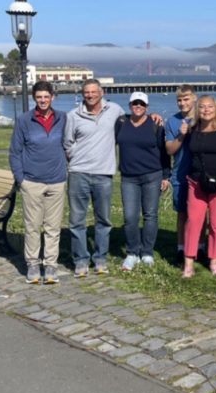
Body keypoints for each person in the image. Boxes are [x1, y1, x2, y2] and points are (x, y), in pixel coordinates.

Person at [63, 79, 163, 277]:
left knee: (104, 220)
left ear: (102, 93)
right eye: (86, 92)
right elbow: (67, 143)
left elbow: (137, 121)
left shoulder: (114, 111)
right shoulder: (73, 115)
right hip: (79, 173)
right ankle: (81, 260)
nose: (90, 95)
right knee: (77, 220)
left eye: (94, 91)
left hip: (104, 174)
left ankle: (101, 258)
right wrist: (78, 156)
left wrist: (153, 116)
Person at [8, 81, 67, 285]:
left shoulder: (63, 118)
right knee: (32, 226)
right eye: (39, 97)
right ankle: (33, 263)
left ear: (52, 97)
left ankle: (50, 264)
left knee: (53, 226)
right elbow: (15, 152)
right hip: (32, 182)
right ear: (35, 98)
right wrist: (21, 179)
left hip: (57, 181)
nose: (43, 100)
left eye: (46, 96)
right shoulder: (24, 120)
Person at [116, 92, 171, 271]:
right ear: (130, 104)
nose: (138, 106)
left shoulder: (155, 124)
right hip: (128, 177)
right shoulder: (121, 123)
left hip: (152, 175)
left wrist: (165, 175)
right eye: (134, 103)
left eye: (141, 103)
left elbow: (164, 152)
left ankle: (147, 252)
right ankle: (132, 252)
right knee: (130, 217)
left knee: (150, 215)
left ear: (147, 107)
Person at [182, 95, 216, 278]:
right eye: (202, 107)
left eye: (210, 107)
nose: (206, 110)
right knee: (194, 222)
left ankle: (214, 261)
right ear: (198, 109)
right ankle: (188, 262)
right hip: (196, 182)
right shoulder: (192, 128)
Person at [164, 85, 197, 255]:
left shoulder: (204, 117)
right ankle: (181, 247)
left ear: (194, 98)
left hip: (201, 174)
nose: (182, 103)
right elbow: (170, 150)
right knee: (183, 213)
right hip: (180, 174)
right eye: (179, 100)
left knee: (199, 215)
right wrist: (181, 135)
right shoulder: (172, 121)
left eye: (186, 99)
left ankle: (200, 247)